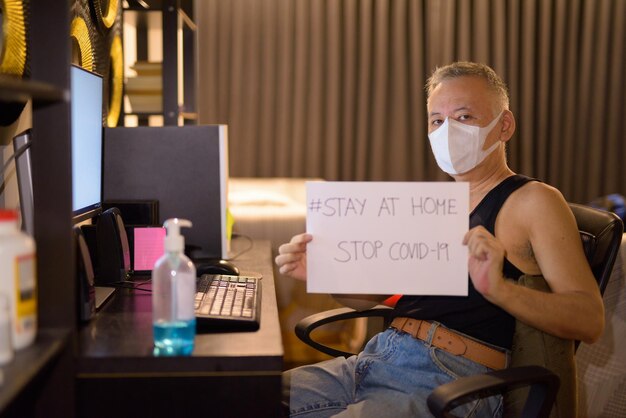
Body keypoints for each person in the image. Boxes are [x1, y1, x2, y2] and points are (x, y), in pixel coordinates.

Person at [275, 61, 604, 417]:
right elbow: (375, 296)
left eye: (463, 117)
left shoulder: (532, 200)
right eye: (437, 120)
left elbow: (589, 320)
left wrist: (500, 289)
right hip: (376, 357)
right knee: (234, 395)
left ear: (504, 125)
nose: (448, 131)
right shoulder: (435, 206)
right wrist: (327, 270)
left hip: (450, 378)